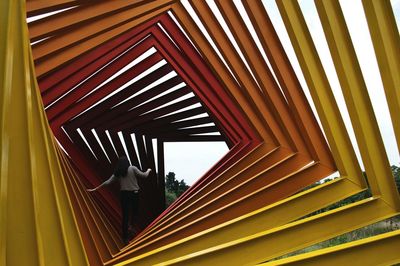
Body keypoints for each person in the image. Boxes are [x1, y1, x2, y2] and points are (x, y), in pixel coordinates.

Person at [87, 156, 152, 245]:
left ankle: (125, 238)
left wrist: (95, 188)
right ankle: (131, 226)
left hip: (124, 195)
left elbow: (108, 182)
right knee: (135, 212)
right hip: (134, 194)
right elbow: (144, 175)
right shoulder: (132, 168)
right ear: (127, 162)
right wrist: (148, 170)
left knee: (125, 216)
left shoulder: (118, 172)